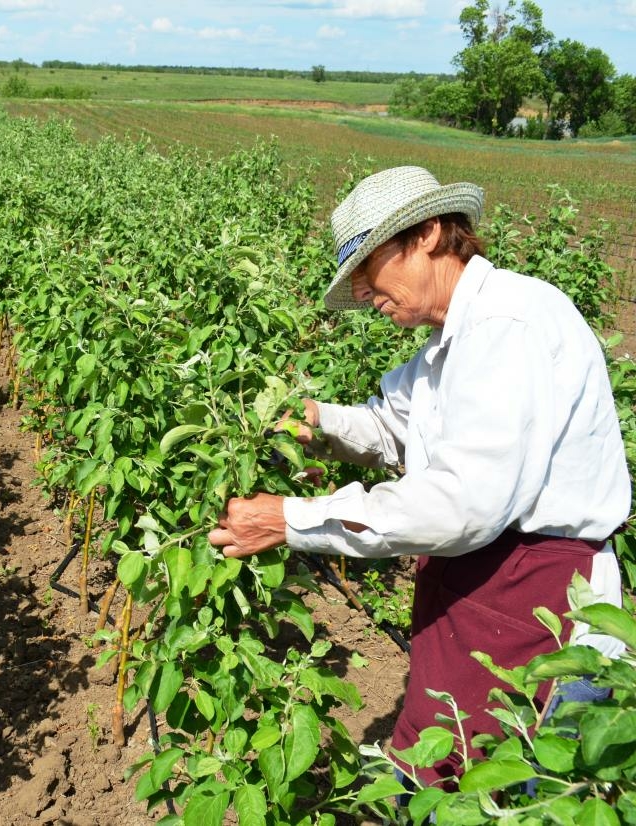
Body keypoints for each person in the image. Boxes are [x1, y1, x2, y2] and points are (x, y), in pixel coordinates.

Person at [207, 165, 630, 787]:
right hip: (475, 581)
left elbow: (458, 506)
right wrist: (316, 421)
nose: (361, 289)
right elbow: (390, 427)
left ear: (428, 233)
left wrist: (291, 519)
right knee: (442, 755)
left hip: (533, 592)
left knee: (478, 779)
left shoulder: (505, 326)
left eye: (367, 265)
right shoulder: (445, 345)